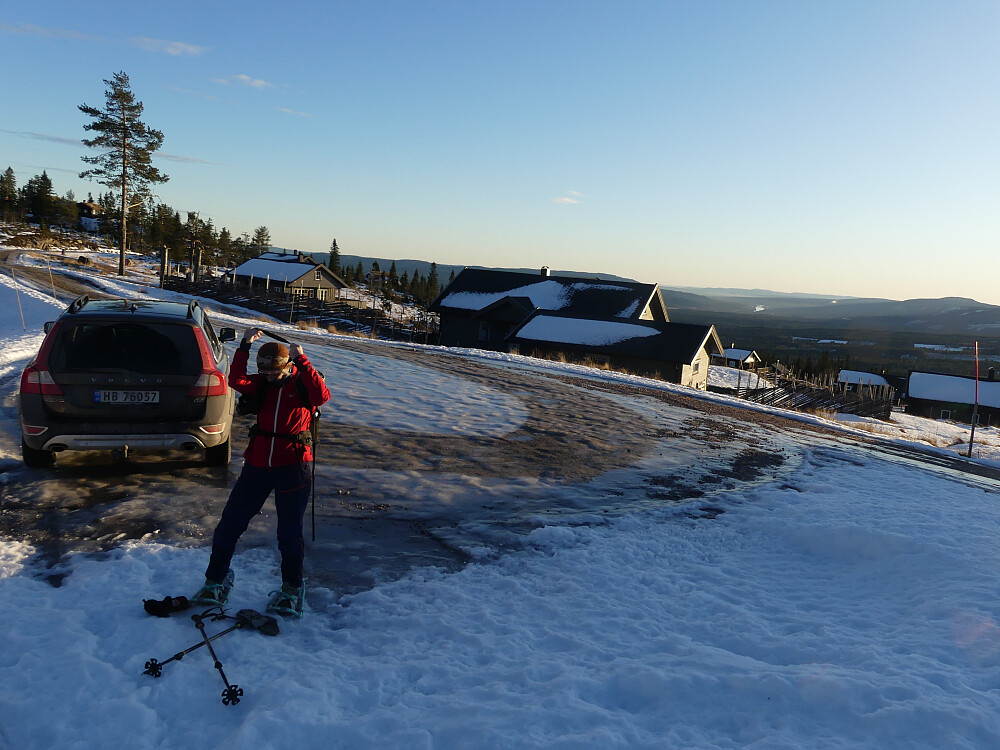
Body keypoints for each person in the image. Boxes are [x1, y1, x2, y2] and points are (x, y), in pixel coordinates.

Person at [192, 327, 331, 617]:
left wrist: (303, 360)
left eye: (274, 372)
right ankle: (215, 581)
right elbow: (237, 380)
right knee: (229, 525)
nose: (269, 377)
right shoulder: (264, 383)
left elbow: (321, 395)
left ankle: (292, 589)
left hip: (293, 466)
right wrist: (244, 345)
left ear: (288, 366)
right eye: (265, 372)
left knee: (288, 534)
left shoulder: (302, 383)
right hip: (257, 464)